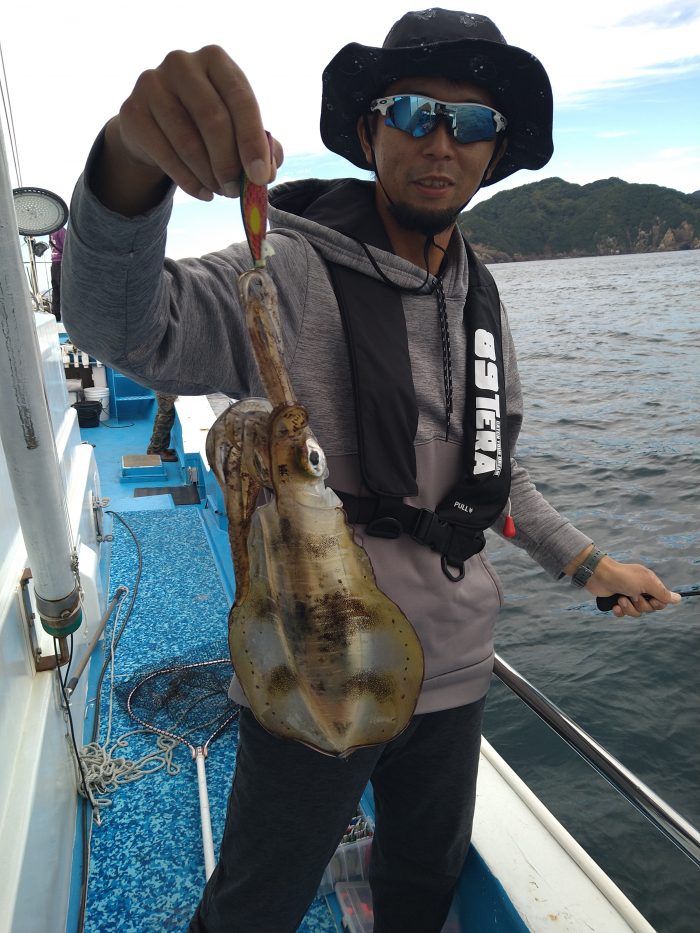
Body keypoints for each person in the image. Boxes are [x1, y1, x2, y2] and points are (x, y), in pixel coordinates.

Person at [61, 10, 681, 932]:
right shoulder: (287, 270)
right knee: (254, 904)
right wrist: (128, 164)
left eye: (472, 123)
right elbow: (121, 323)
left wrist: (591, 565)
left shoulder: (481, 297)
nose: (442, 142)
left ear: (495, 150)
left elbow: (493, 477)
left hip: (457, 672)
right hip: (311, 664)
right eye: (414, 112)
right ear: (368, 129)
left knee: (422, 888)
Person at [147, 391, 179, 461]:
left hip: (163, 387)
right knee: (166, 416)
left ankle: (159, 447)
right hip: (166, 389)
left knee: (162, 412)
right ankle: (156, 450)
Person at [49, 225, 66, 320]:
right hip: (61, 264)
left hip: (54, 264)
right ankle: (68, 316)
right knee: (65, 290)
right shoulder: (61, 231)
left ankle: (56, 316)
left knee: (56, 290)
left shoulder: (51, 232)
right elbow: (67, 247)